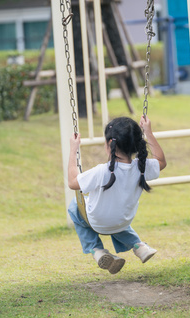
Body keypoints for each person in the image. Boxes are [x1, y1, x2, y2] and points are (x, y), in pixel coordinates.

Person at [67, 116, 166, 274]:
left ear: (109, 145)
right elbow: (161, 161)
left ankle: (97, 250)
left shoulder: (101, 171)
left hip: (97, 222)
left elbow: (73, 182)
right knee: (117, 217)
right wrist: (149, 132)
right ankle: (139, 246)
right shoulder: (141, 167)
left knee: (74, 207)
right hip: (122, 222)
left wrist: (73, 150)